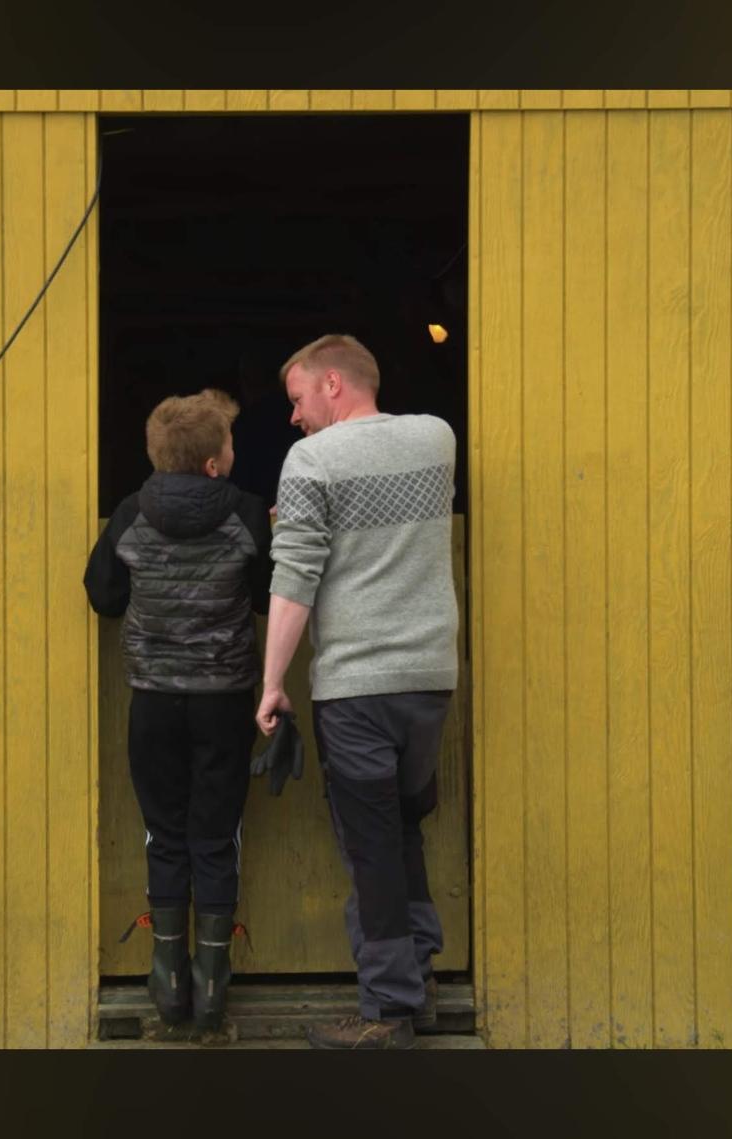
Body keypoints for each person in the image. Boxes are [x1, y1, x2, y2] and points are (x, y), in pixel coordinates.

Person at [256, 334, 459, 1050]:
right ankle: (418, 981)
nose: (294, 418)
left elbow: (295, 579)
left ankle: (386, 1012)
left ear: (333, 384)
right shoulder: (438, 439)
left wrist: (272, 682)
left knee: (371, 847)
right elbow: (385, 527)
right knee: (401, 830)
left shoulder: (312, 461)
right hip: (429, 679)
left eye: (297, 399)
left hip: (356, 688)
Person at [84, 389, 272, 1033]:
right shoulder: (246, 512)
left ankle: (167, 978)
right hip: (224, 702)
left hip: (154, 702)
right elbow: (267, 596)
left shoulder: (131, 512)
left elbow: (104, 596)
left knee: (164, 833)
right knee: (216, 835)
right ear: (215, 462)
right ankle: (212, 982)